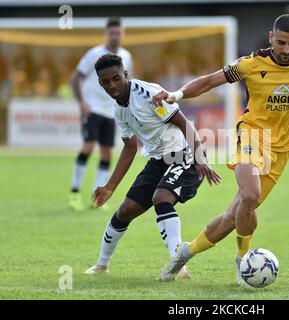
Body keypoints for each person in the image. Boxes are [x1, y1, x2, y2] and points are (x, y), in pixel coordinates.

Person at [152, 14, 289, 283]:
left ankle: (183, 254)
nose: (287, 50)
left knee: (234, 216)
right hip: (252, 135)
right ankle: (242, 261)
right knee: (251, 194)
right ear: (271, 38)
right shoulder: (251, 64)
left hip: (281, 151)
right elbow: (209, 81)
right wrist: (176, 95)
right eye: (281, 43)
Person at [84, 54, 220, 276]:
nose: (113, 85)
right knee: (125, 211)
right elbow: (130, 148)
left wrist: (200, 159)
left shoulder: (148, 94)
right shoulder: (119, 110)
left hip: (184, 153)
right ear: (100, 84)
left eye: (117, 78)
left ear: (125, 75)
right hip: (158, 161)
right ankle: (102, 265)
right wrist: (110, 187)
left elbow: (185, 125)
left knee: (161, 197)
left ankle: (178, 263)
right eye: (106, 82)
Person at [69, 17, 133, 211]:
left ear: (122, 33)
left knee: (107, 153)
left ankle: (97, 197)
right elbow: (76, 78)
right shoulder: (94, 54)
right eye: (111, 32)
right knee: (88, 147)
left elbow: (129, 83)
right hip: (93, 108)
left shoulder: (126, 56)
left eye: (118, 32)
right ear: (107, 34)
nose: (115, 35)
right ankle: (74, 192)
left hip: (112, 111)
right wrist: (81, 102)